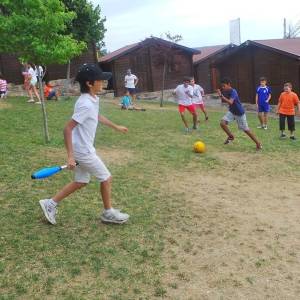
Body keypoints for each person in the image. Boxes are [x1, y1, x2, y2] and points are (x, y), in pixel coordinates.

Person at [39, 63, 130, 225]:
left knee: (81, 181)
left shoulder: (93, 99)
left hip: (83, 148)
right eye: (100, 80)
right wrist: (70, 156)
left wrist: (116, 127)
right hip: (83, 151)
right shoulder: (85, 103)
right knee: (106, 177)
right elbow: (67, 129)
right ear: (89, 83)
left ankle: (50, 203)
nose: (103, 83)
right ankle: (108, 213)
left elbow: (96, 116)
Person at [217, 78, 262, 150]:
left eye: (224, 86)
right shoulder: (225, 90)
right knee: (222, 123)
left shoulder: (233, 91)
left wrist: (221, 96)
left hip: (239, 113)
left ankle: (258, 143)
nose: (223, 88)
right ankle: (231, 136)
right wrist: (221, 95)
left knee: (246, 130)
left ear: (229, 84)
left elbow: (230, 102)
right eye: (222, 86)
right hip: (232, 111)